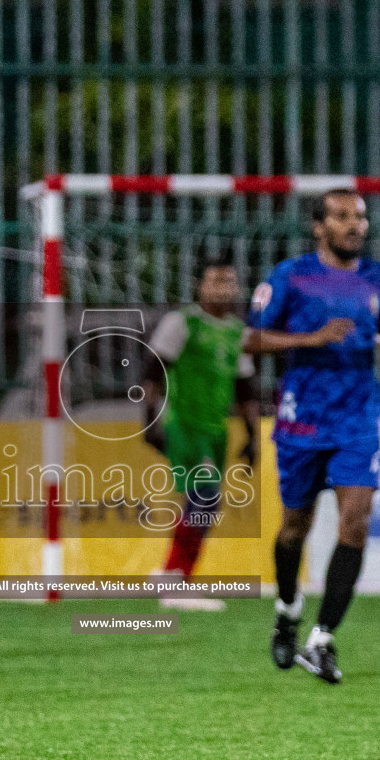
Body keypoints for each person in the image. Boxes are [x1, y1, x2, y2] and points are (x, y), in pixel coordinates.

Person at [244, 189, 380, 683]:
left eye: (360, 216)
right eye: (342, 216)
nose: (355, 224)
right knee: (294, 527)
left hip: (357, 418)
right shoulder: (291, 275)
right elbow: (250, 337)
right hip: (302, 421)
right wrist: (309, 339)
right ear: (319, 226)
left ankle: (322, 639)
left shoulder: (379, 276)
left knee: (355, 524)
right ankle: (288, 609)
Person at [142, 251, 258, 611]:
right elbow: (153, 371)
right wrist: (149, 419)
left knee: (202, 500)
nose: (223, 288)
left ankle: (170, 574)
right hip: (184, 423)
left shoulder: (239, 332)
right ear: (201, 285)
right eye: (215, 281)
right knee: (205, 497)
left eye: (229, 281)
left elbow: (245, 389)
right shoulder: (183, 323)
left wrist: (252, 435)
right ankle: (177, 579)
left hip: (215, 429)